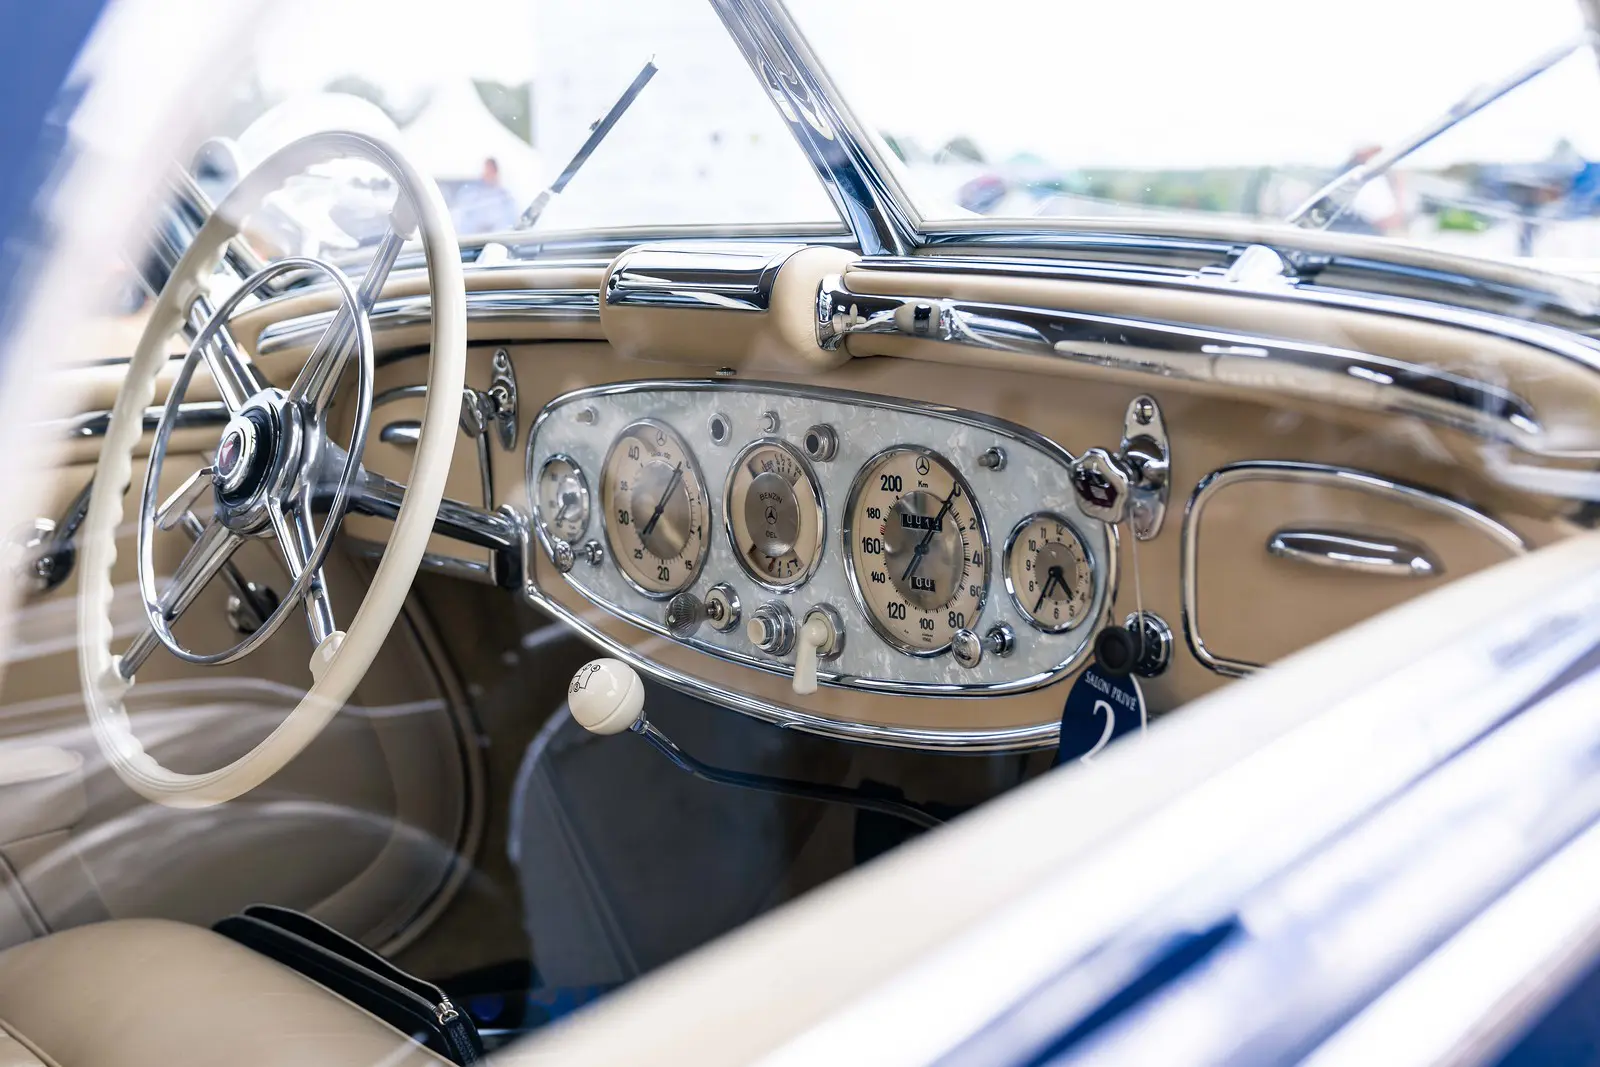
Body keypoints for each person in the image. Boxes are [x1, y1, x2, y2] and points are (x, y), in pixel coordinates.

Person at [1330, 144, 1407, 236]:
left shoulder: (1346, 176)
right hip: (1358, 240)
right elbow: (1387, 221)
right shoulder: (1363, 178)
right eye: (1377, 153)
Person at [450, 156, 519, 234]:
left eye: (490, 171)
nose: (487, 174)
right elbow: (463, 218)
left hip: (499, 239)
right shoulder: (472, 193)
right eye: (486, 170)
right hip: (475, 239)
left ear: (495, 172)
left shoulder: (505, 196)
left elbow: (510, 221)